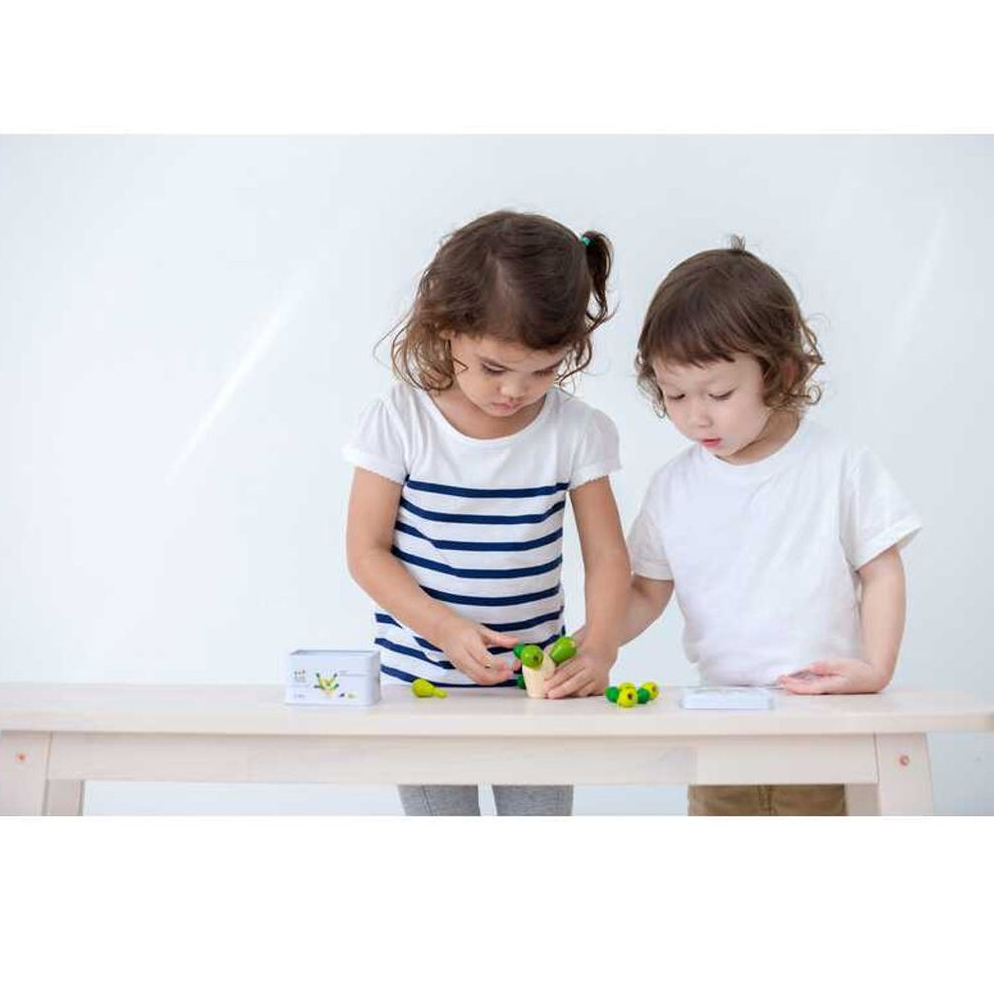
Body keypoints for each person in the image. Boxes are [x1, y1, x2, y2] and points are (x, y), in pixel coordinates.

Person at [343, 210, 631, 816]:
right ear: (447, 329)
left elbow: (606, 555)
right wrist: (444, 630)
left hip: (537, 688)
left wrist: (601, 647)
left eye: (544, 370)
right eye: (496, 368)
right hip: (420, 686)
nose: (515, 391)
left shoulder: (575, 432)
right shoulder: (400, 421)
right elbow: (366, 552)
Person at [621, 236, 922, 816]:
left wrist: (876, 669)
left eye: (719, 393)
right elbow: (644, 591)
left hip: (823, 720)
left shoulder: (837, 464)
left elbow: (882, 569)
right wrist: (594, 646)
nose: (695, 415)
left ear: (778, 373)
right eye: (675, 394)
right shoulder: (673, 486)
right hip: (719, 724)